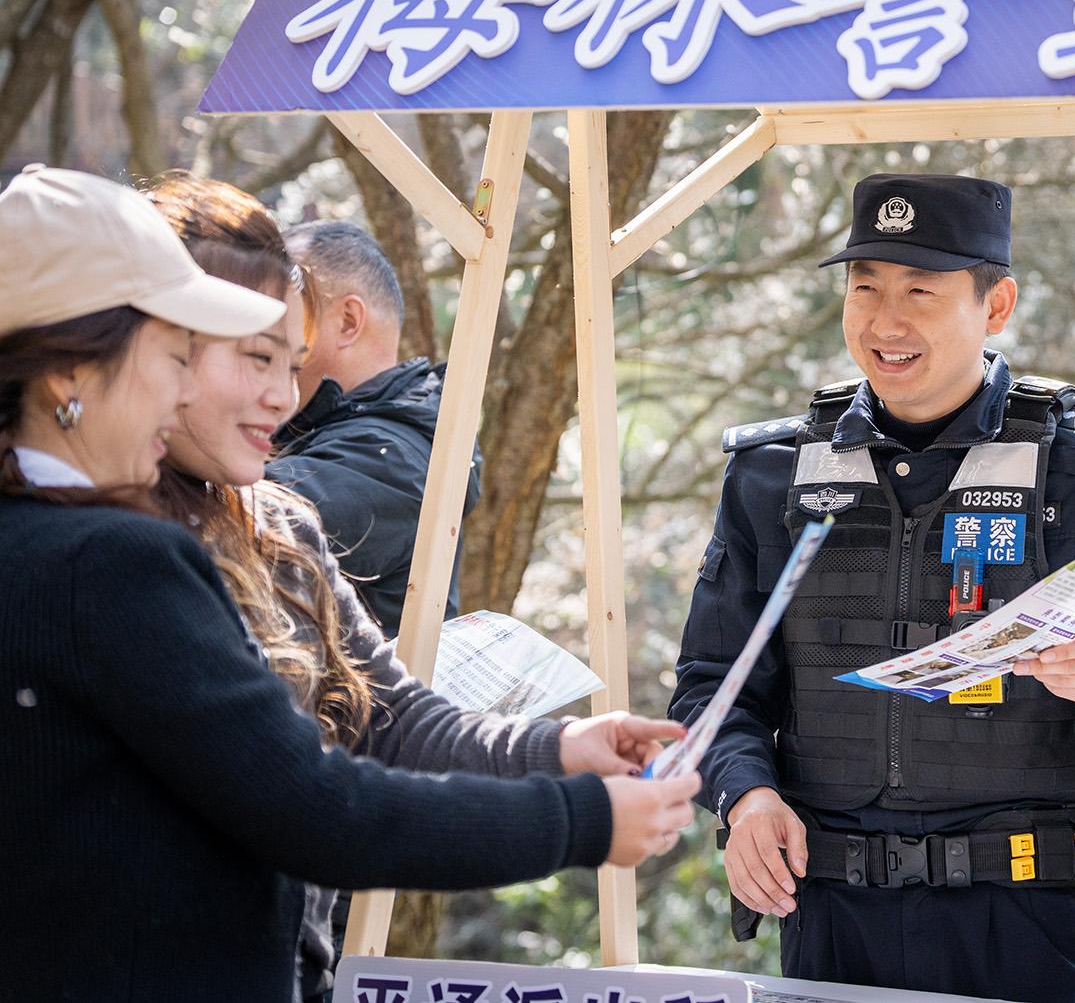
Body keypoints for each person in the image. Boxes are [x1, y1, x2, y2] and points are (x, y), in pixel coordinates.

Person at [0, 166, 699, 1001]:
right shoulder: (112, 558)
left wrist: (553, 750)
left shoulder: (270, 523)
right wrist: (579, 819)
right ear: (74, 368)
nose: (281, 394)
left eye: (294, 364)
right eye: (193, 353)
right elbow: (312, 807)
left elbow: (385, 714)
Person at [669, 173, 1075, 1002]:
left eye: (919, 291)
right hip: (832, 921)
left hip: (1026, 929)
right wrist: (744, 792)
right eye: (865, 288)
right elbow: (712, 687)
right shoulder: (773, 473)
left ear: (996, 304)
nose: (884, 322)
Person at [269, 219, 465, 633]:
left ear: (347, 321)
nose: (260, 330)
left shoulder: (393, 457)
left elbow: (235, 521)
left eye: (278, 310)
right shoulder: (363, 433)